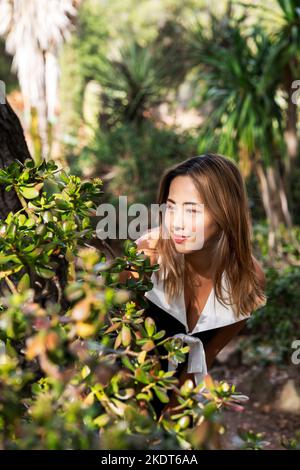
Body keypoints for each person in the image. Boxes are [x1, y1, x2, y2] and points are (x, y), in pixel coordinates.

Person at [121, 153, 266, 419]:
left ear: (226, 212)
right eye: (172, 206)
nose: (177, 222)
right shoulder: (148, 256)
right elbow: (115, 336)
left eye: (192, 210)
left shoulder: (249, 277)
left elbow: (208, 351)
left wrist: (174, 412)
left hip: (178, 397)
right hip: (122, 392)